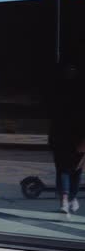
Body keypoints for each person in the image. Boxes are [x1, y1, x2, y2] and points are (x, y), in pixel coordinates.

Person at [48, 61, 85, 214]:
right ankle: (70, 198)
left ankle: (66, 198)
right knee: (73, 170)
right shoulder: (77, 95)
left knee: (66, 169)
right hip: (69, 137)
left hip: (66, 137)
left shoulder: (60, 93)